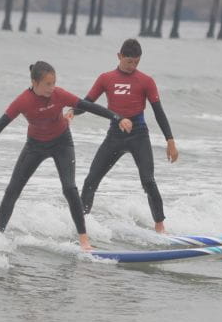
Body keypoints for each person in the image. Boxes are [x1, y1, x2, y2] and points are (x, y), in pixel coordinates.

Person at [0, 61, 132, 251]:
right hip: (34, 146)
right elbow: (0, 123)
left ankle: (84, 240)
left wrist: (117, 118)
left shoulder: (59, 94)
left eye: (54, 83)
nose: (52, 88)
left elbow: (88, 106)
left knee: (69, 188)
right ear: (35, 82)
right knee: (12, 190)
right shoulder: (23, 101)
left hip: (62, 143)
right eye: (47, 84)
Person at [72, 38, 178, 234]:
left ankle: (160, 226)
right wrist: (71, 112)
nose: (132, 66)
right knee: (91, 180)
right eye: (129, 61)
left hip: (139, 136)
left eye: (136, 62)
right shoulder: (106, 78)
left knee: (148, 180)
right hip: (114, 135)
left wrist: (170, 140)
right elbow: (88, 102)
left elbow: (159, 112)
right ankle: (82, 225)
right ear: (119, 56)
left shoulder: (146, 81)